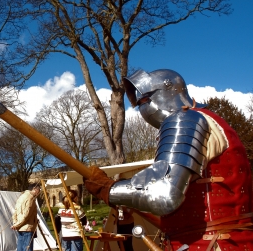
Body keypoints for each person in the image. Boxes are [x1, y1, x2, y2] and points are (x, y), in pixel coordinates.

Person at [84, 69, 253, 250]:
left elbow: (165, 195)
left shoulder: (185, 119)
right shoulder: (211, 120)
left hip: (210, 243)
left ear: (166, 91)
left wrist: (108, 189)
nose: (142, 108)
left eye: (145, 100)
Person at [11, 184, 41, 251]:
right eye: (39, 190)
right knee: (27, 248)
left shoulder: (22, 196)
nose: (39, 192)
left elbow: (15, 212)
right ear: (34, 189)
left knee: (20, 248)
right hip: (27, 227)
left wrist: (16, 223)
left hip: (21, 227)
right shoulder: (30, 198)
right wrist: (17, 224)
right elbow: (26, 214)